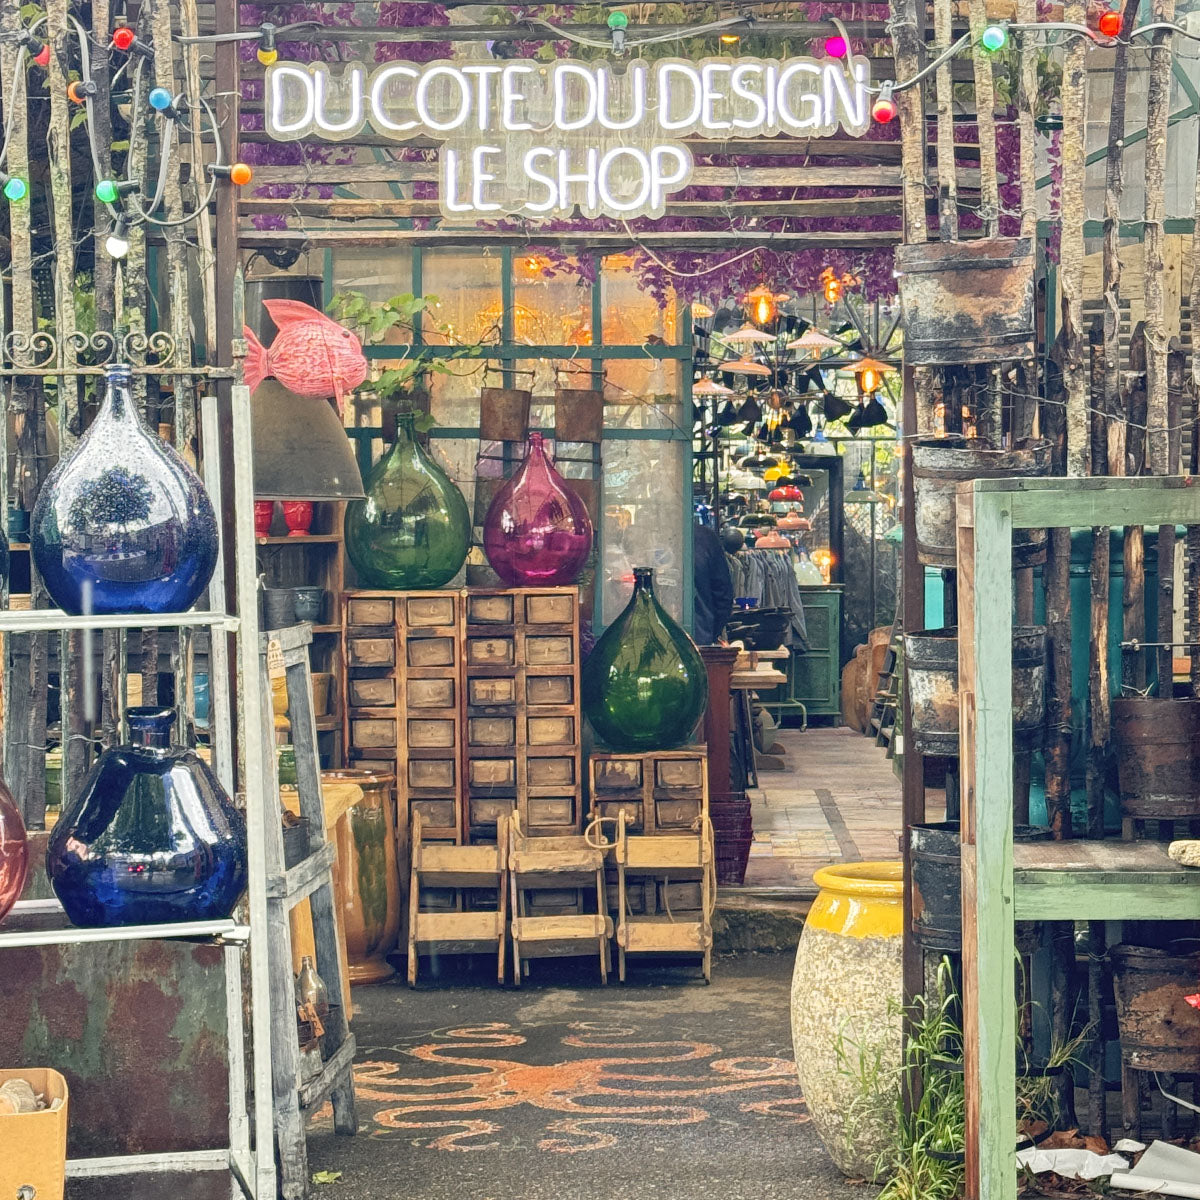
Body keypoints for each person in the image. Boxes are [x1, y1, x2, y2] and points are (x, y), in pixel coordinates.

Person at [693, 520, 734, 645]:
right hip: (699, 638)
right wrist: (712, 632)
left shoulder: (646, 535)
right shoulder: (705, 537)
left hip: (649, 639)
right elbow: (723, 594)